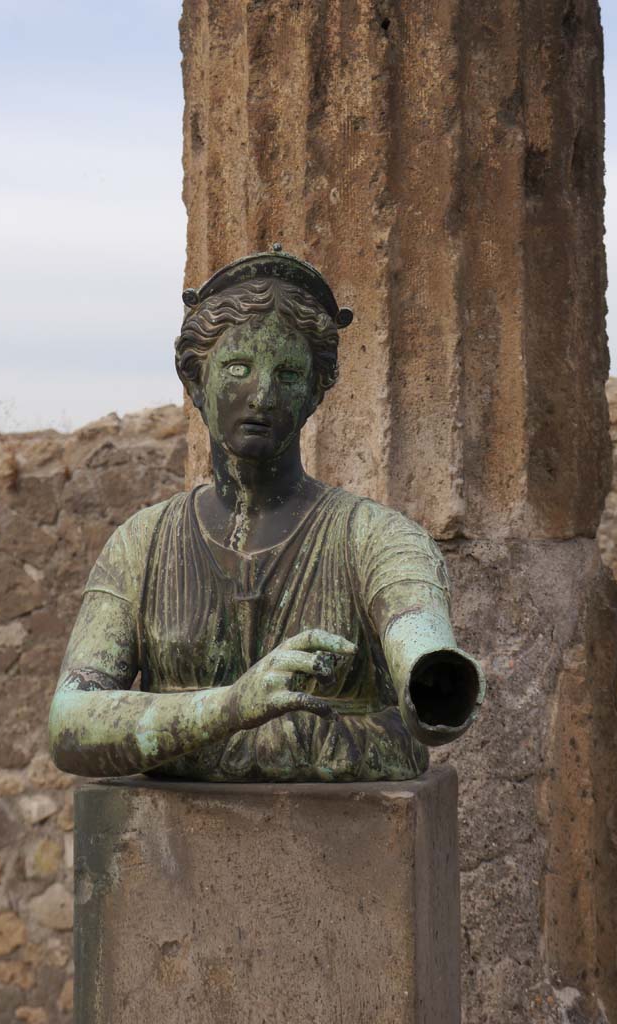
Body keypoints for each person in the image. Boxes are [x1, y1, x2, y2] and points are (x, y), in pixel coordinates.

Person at [48, 248, 485, 781]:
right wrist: (230, 707)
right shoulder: (141, 545)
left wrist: (429, 672)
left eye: (288, 374)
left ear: (314, 395)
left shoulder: (379, 539)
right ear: (195, 382)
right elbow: (71, 722)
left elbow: (423, 654)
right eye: (237, 367)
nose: (262, 394)